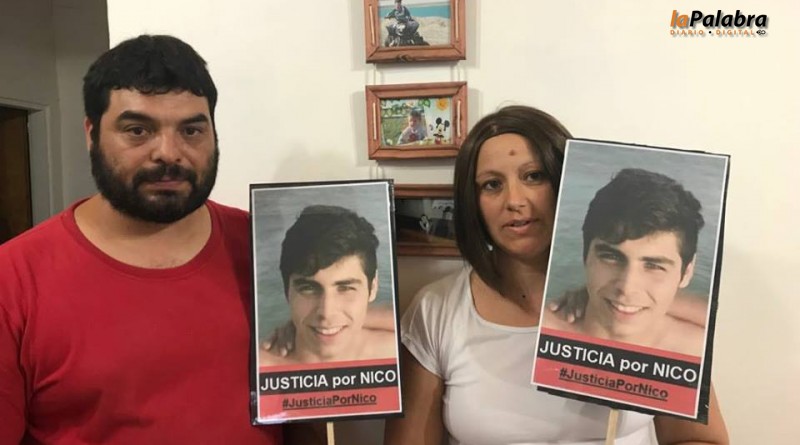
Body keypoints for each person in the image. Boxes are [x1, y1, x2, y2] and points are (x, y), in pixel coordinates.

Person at [384, 105, 728, 444]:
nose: (514, 200)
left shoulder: (636, 307)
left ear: (563, 178)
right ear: (472, 202)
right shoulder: (437, 310)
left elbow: (700, 439)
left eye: (534, 176)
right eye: (492, 184)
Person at [0, 35, 283, 444]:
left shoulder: (271, 250)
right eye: (137, 130)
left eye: (191, 130)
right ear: (91, 134)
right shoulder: (13, 279)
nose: (169, 153)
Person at [544, 168, 707, 356]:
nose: (627, 288)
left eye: (654, 266)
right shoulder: (542, 334)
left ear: (687, 272)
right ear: (585, 254)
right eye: (611, 257)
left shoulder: (700, 351)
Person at [259, 205, 396, 366]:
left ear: (373, 287)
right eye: (308, 289)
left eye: (345, 288)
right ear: (286, 289)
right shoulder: (259, 367)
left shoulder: (394, 352)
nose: (326, 313)